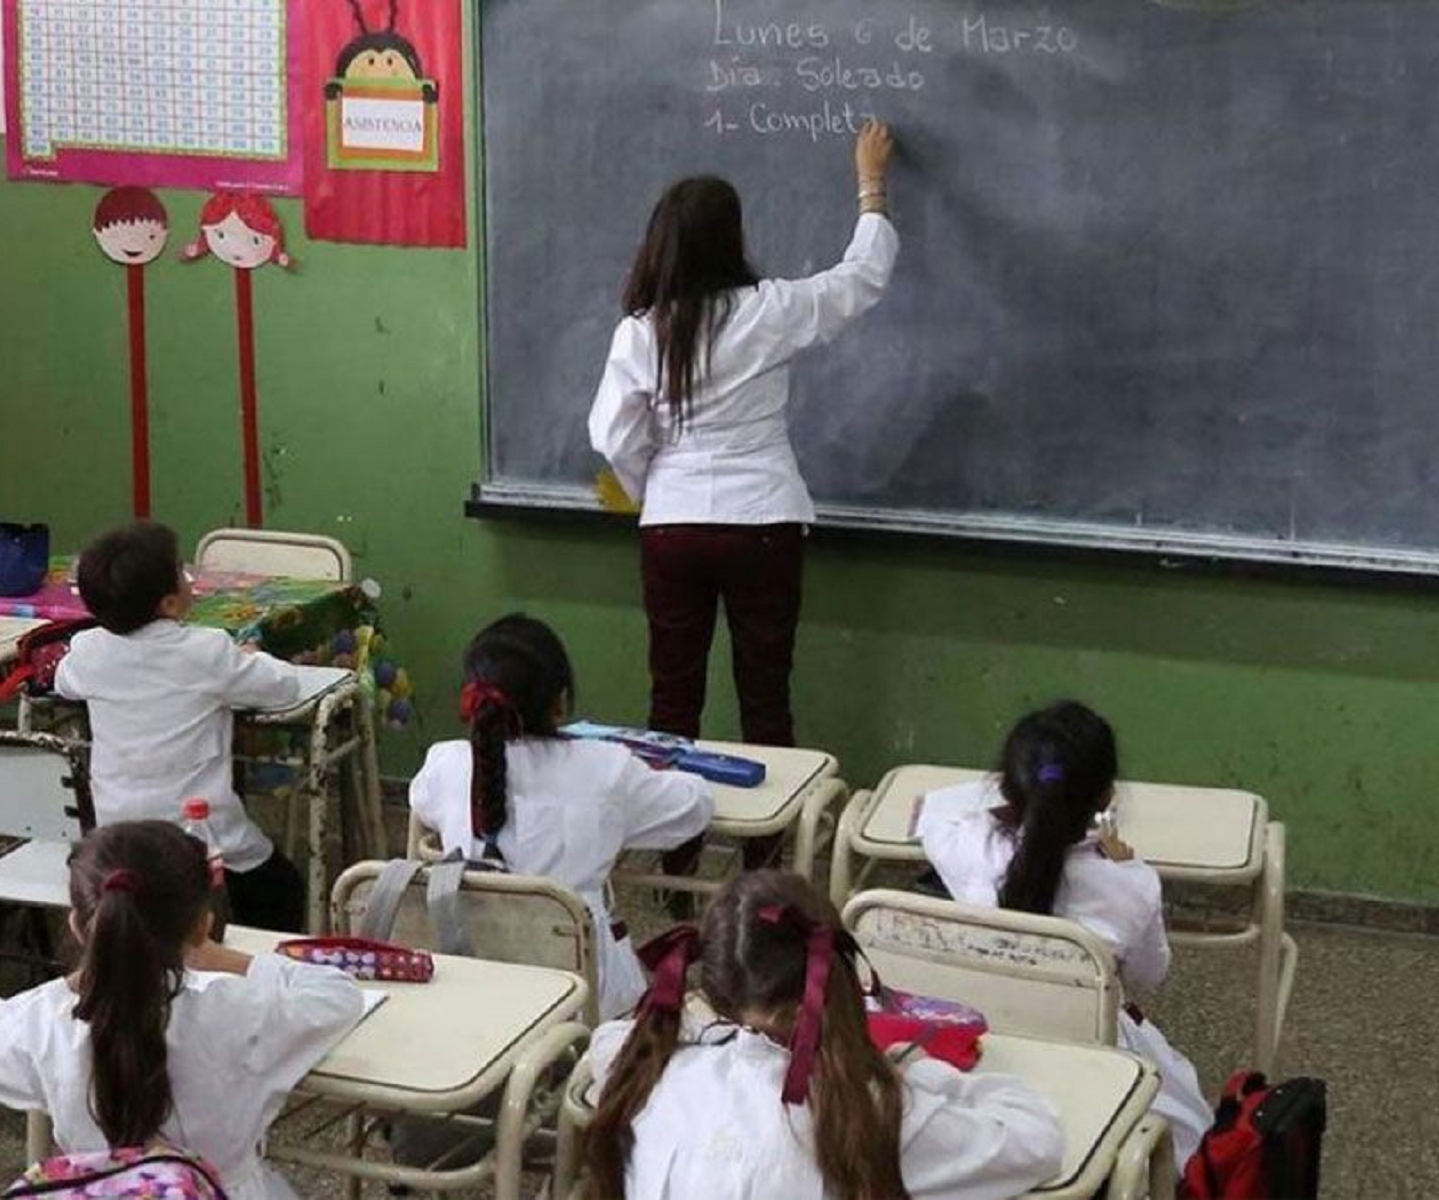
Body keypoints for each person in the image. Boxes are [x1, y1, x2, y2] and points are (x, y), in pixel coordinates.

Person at [588, 121, 899, 878]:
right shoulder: (770, 310)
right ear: (732, 239)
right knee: (765, 700)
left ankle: (675, 862)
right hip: (762, 522)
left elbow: (610, 435)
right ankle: (767, 861)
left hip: (673, 529)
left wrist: (649, 485)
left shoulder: (642, 332)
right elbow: (860, 279)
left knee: (673, 705)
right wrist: (871, 188)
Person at [585, 870, 1063, 1200]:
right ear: (835, 979)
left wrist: (693, 1021)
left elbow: (608, 1039)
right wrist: (926, 1073)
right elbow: (1037, 1139)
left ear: (711, 983)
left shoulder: (649, 1072)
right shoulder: (866, 1110)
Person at [0, 821, 363, 1199]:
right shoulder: (239, 1013)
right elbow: (338, 995)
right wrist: (221, 957)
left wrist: (80, 980)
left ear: (79, 925)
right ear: (202, 926)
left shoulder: (46, 1025)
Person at [920, 700, 1212, 1164]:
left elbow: (931, 810)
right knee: (1188, 1112)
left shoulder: (965, 847)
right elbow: (1150, 975)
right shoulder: (1130, 884)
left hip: (978, 1042)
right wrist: (1124, 864)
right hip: (1088, 1050)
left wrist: (1012, 801)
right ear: (1106, 797)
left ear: (1005, 787)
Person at [408, 613, 713, 1017]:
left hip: (475, 987)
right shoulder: (607, 769)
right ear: (561, 701)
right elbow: (694, 808)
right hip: (587, 1000)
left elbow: (422, 802)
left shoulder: (446, 763)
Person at [55, 521, 328, 932]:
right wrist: (250, 655)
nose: (189, 579)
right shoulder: (207, 650)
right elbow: (283, 687)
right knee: (281, 887)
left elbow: (63, 681)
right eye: (183, 573)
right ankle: (260, 969)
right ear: (169, 604)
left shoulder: (89, 650)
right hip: (201, 832)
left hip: (117, 835)